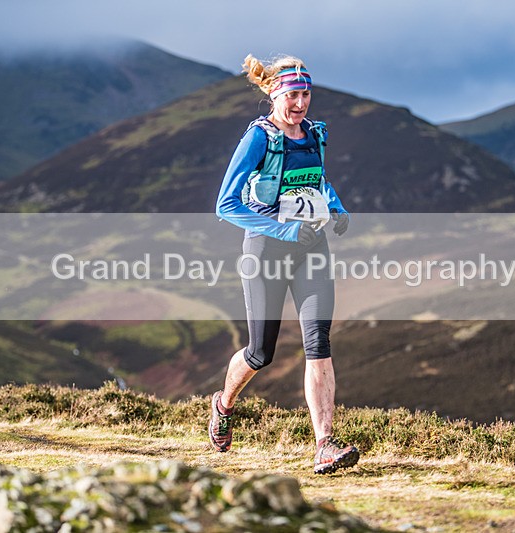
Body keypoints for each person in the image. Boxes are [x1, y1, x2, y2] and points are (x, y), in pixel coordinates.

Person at [210, 54, 359, 474]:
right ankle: (223, 404)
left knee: (319, 343)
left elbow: (317, 180)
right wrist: (286, 231)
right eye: (292, 94)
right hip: (266, 252)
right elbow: (226, 204)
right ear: (275, 94)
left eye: (306, 94)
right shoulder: (260, 138)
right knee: (261, 353)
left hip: (312, 250)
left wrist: (337, 207)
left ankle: (324, 446)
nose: (300, 103)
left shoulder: (314, 135)